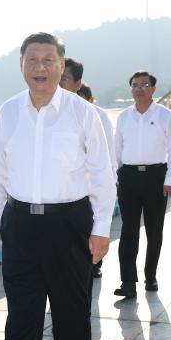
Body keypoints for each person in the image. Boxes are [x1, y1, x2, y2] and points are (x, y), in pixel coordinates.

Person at [0, 33, 115, 340]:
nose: (40, 67)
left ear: (61, 65)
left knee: (72, 313)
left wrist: (101, 229)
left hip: (69, 224)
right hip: (21, 224)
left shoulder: (81, 113)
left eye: (48, 60)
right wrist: (4, 221)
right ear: (21, 64)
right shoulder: (9, 112)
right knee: (21, 321)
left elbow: (102, 174)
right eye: (32, 60)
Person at [113, 71, 171, 298]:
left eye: (144, 85)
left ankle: (150, 275)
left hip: (156, 178)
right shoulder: (123, 117)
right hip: (128, 177)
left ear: (153, 89)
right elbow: (116, 150)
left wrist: (170, 180)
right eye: (134, 85)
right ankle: (128, 282)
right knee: (128, 230)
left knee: (154, 230)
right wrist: (114, 178)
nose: (139, 89)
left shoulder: (164, 115)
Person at [61, 57, 117, 280]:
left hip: (82, 204)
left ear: (78, 84)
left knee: (79, 271)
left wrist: (102, 208)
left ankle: (94, 266)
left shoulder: (95, 115)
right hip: (50, 212)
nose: (57, 83)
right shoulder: (38, 114)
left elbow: (107, 164)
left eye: (64, 79)